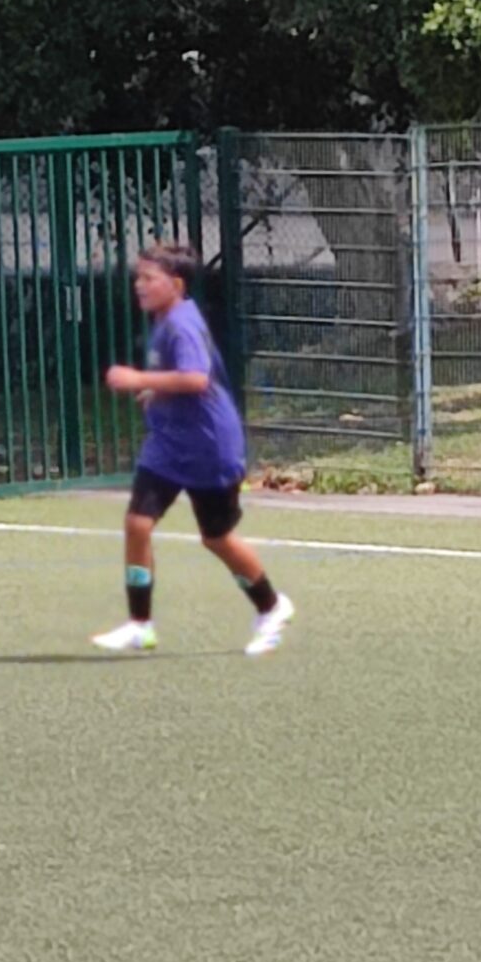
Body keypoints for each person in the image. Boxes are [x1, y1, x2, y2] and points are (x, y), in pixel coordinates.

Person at [94, 242, 293, 657]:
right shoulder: (164, 320)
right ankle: (140, 625)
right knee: (137, 523)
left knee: (216, 537)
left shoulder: (181, 324)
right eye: (138, 277)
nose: (139, 285)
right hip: (168, 446)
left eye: (149, 278)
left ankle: (272, 607)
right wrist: (156, 391)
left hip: (209, 447)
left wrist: (137, 379)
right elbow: (181, 379)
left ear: (176, 284)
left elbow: (196, 378)